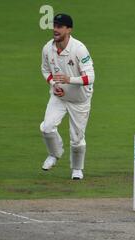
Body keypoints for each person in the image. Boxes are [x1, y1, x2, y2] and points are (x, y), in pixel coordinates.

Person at [40, 13, 95, 180]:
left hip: (79, 100)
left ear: (69, 29)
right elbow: (45, 70)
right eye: (54, 26)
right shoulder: (47, 48)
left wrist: (68, 79)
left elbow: (90, 78)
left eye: (60, 26)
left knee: (77, 139)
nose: (55, 29)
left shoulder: (79, 49)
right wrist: (54, 84)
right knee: (46, 127)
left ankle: (77, 169)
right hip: (59, 97)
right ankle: (54, 154)